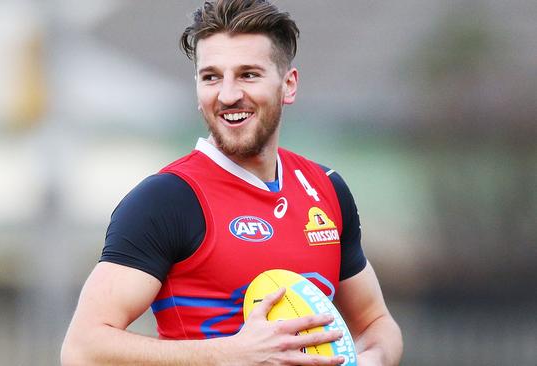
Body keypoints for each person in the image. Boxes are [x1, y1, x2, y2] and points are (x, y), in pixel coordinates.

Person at [61, 0, 403, 365]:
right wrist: (232, 354)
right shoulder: (168, 199)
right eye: (211, 77)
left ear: (288, 85)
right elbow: (83, 350)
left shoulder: (326, 189)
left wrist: (371, 360)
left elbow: (376, 323)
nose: (227, 95)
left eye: (248, 75)